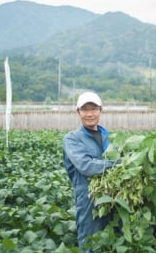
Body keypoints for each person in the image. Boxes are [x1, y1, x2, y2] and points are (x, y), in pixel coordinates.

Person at [63, 91, 119, 251]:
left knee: (115, 240)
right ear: (78, 112)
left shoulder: (111, 137)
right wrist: (118, 164)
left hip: (114, 198)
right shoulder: (72, 139)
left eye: (94, 109)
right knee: (91, 244)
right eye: (85, 109)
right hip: (89, 200)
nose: (89, 114)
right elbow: (86, 166)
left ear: (101, 110)